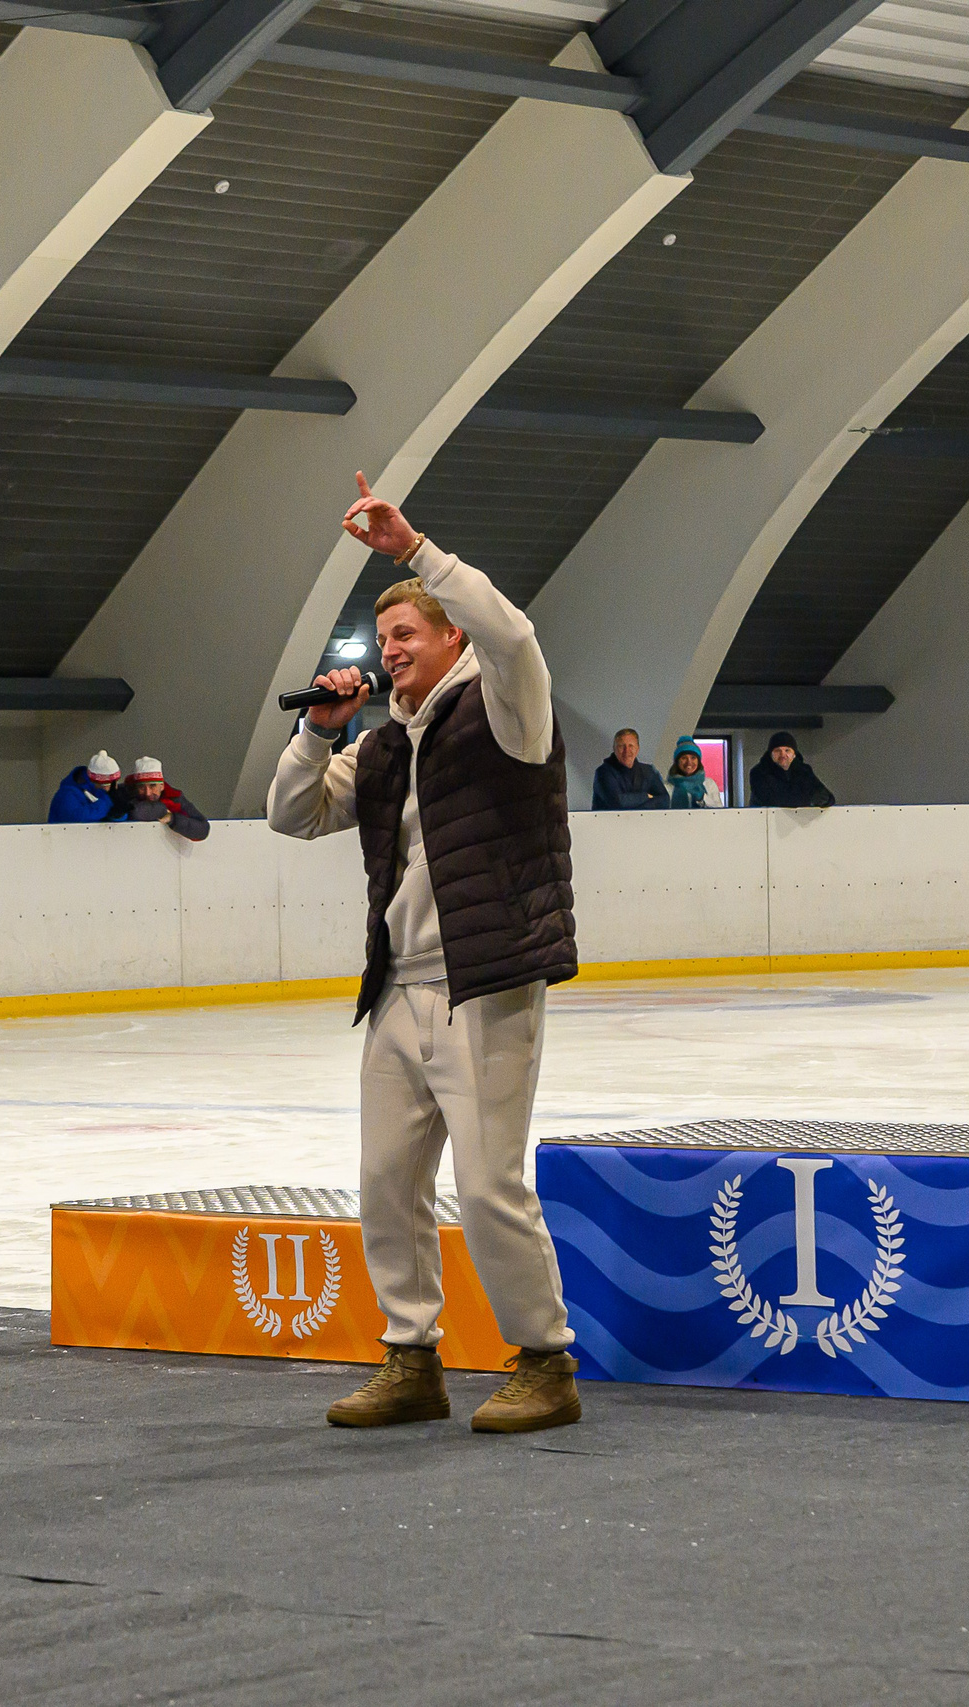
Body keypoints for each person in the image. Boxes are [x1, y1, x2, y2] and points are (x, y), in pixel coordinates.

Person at [268, 472, 580, 1436]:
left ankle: (545, 1361)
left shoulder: (506, 710)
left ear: (450, 639)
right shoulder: (384, 745)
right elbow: (293, 815)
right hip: (397, 991)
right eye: (384, 639)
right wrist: (318, 731)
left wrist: (415, 554)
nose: (392, 650)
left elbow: (516, 636)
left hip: (487, 985)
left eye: (409, 633)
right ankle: (412, 1358)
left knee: (489, 1187)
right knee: (386, 1185)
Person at [118, 756, 209, 841]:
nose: (147, 793)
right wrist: (162, 810)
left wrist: (173, 819)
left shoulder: (174, 798)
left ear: (162, 786)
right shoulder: (123, 792)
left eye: (152, 786)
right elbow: (136, 812)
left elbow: (203, 829)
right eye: (141, 787)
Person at [748, 730, 835, 809]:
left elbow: (826, 795)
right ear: (771, 754)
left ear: (794, 754)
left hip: (802, 823)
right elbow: (775, 800)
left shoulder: (804, 771)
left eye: (787, 750)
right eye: (778, 751)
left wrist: (824, 800)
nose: (783, 755)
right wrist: (809, 800)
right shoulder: (759, 773)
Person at [591, 728, 667, 810]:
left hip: (643, 822)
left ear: (637, 749)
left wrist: (635, 805)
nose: (626, 751)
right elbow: (617, 802)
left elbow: (664, 800)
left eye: (631, 746)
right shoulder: (603, 773)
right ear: (614, 749)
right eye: (621, 746)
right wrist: (646, 796)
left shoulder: (648, 771)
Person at [49, 750, 124, 824]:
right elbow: (76, 819)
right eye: (108, 784)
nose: (114, 788)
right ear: (97, 782)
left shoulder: (100, 793)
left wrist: (118, 814)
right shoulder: (67, 794)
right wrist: (107, 803)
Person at [667, 736, 723, 808]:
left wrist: (702, 798)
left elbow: (719, 811)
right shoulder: (667, 786)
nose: (689, 762)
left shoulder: (709, 784)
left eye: (693, 758)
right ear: (677, 762)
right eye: (684, 758)